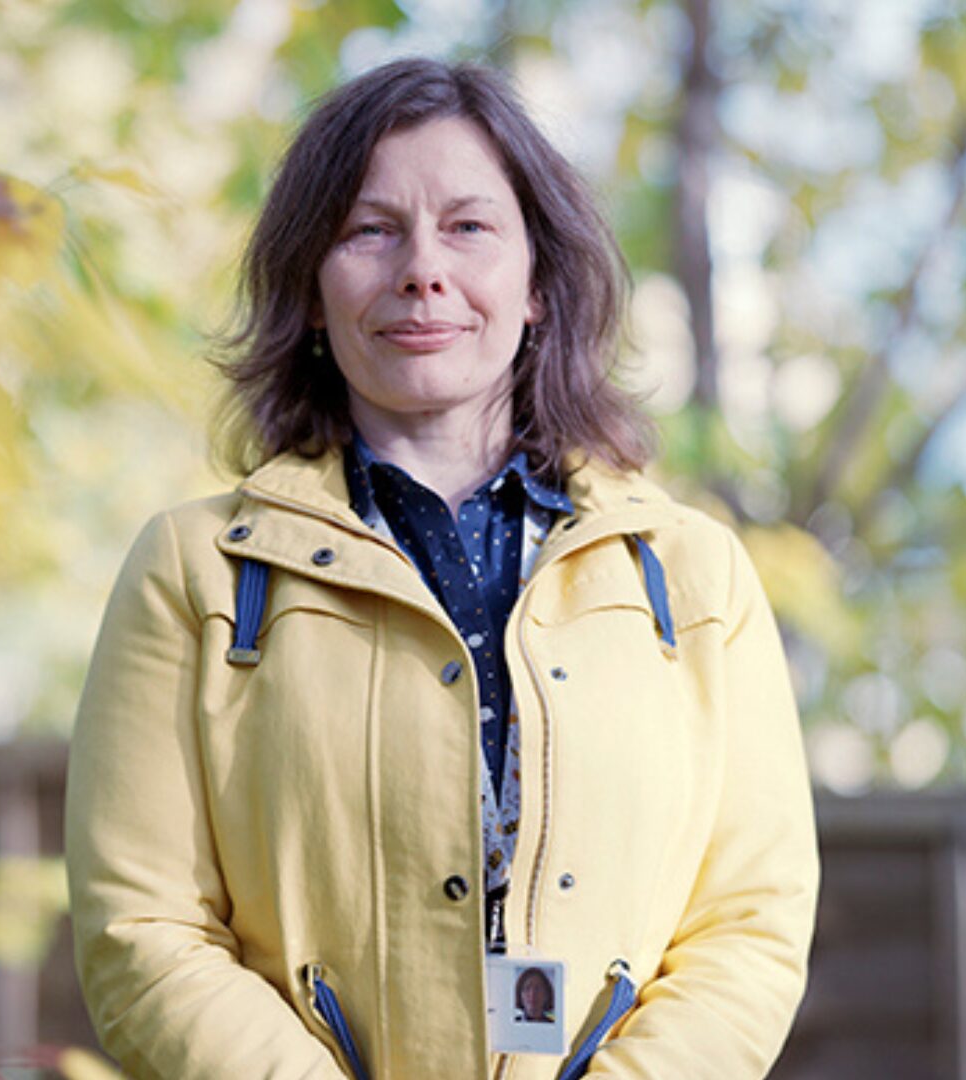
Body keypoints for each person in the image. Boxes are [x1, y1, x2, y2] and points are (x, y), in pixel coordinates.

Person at [65, 57, 819, 1080]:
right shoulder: (191, 573)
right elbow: (141, 930)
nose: (423, 269)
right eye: (371, 230)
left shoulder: (693, 578)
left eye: (468, 227)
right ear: (313, 294)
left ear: (539, 284)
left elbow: (750, 926)